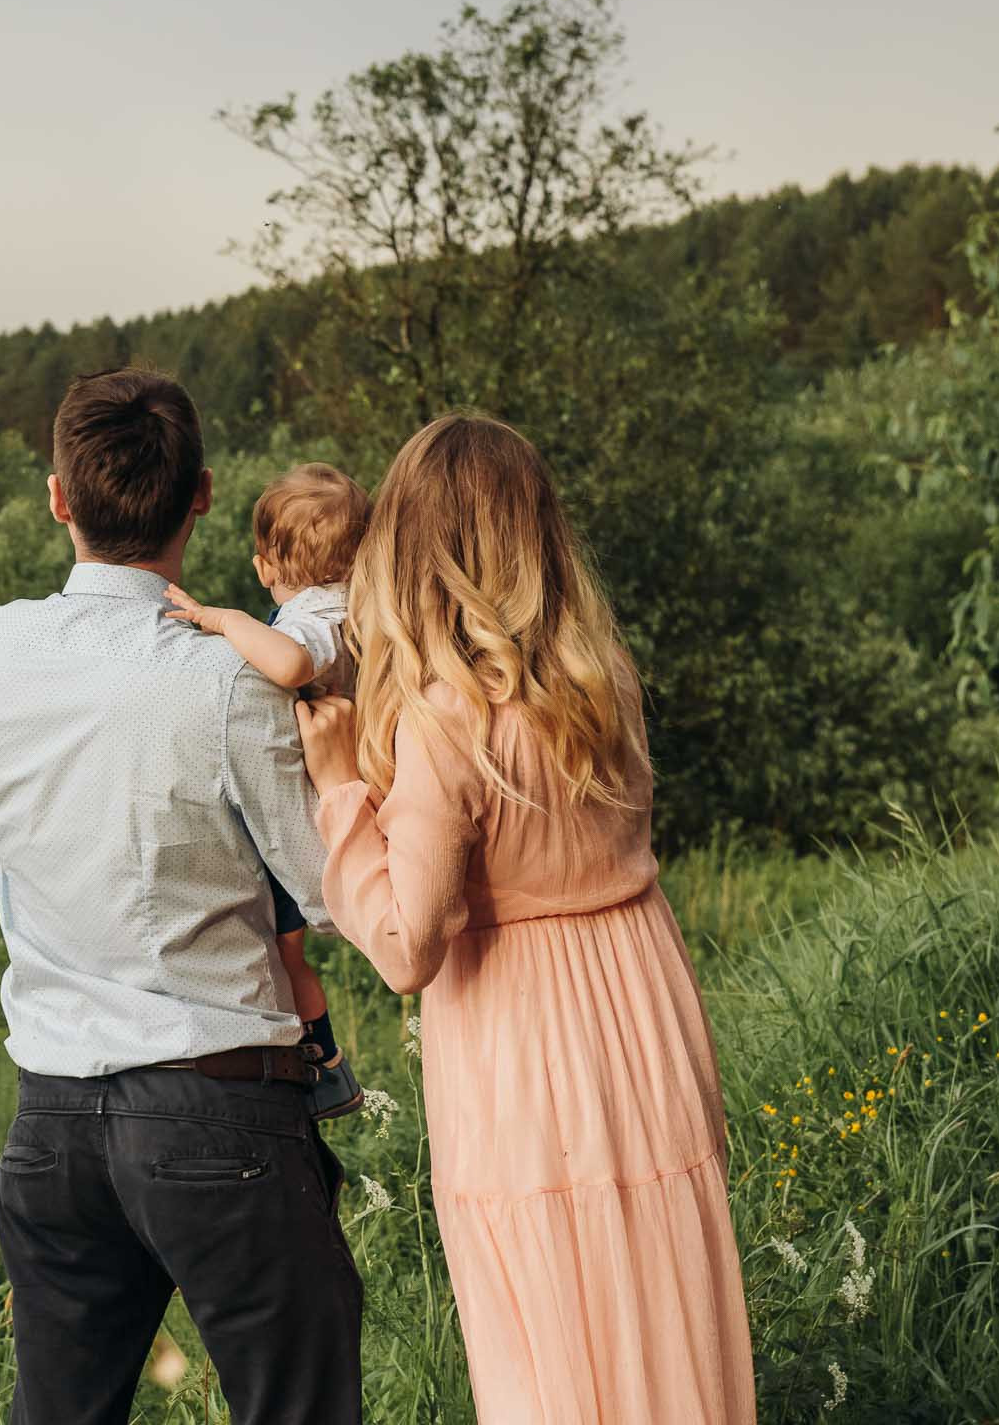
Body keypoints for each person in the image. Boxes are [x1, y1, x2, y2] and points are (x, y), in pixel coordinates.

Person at [293, 414, 757, 1423]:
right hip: (642, 1006)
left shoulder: (445, 717)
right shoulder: (604, 684)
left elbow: (407, 945)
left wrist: (337, 791)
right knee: (667, 1309)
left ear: (411, 549)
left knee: (551, 1340)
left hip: (523, 1045)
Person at [0, 369, 363, 1425]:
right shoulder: (225, 680)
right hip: (216, 1103)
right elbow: (331, 894)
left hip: (47, 1118)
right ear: (204, 496)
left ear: (58, 498)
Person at [161, 461, 371, 1119]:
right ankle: (321, 1061)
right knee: (282, 950)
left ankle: (325, 1064)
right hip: (354, 791)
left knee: (283, 951)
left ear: (266, 566)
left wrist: (221, 620)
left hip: (315, 807)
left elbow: (288, 661)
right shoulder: (365, 610)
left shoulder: (313, 616)